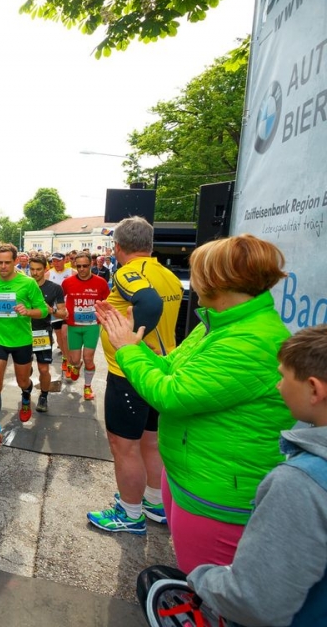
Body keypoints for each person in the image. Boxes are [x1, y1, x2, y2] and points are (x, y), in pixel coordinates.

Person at [95, 234, 295, 564]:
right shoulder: (218, 326)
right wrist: (130, 339)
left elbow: (170, 395)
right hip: (193, 476)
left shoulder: (248, 340)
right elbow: (170, 370)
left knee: (208, 585)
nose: (194, 280)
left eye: (198, 271)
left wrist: (128, 349)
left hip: (216, 491)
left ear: (217, 279)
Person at [186, 325, 327, 626]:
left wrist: (203, 577)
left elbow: (254, 600)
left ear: (314, 389)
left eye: (283, 376)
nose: (278, 386)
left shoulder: (300, 483)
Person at [85, 217, 184, 537]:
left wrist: (133, 338)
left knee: (123, 446)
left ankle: (129, 513)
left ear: (117, 247)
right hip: (159, 368)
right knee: (150, 441)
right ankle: (155, 503)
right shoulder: (166, 273)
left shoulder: (129, 272)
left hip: (128, 373)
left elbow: (149, 302)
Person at [0, 244, 48, 444]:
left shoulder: (28, 283)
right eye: (0, 262)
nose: (4, 266)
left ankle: (25, 396)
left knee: (23, 381)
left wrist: (29, 312)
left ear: (16, 262)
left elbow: (44, 310)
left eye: (8, 262)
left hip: (21, 340)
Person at [61, 252, 110, 401]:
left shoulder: (101, 282)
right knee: (74, 360)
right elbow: (60, 301)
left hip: (92, 326)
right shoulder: (67, 282)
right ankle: (76, 365)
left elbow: (108, 303)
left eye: (85, 266)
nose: (82, 269)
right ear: (75, 265)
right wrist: (62, 314)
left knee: (89, 358)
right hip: (73, 326)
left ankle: (87, 387)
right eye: (79, 266)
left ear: (91, 265)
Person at [28, 255, 66, 413]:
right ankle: (25, 393)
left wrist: (52, 310)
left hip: (42, 333)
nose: (35, 273)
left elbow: (64, 314)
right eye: (32, 269)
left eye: (38, 269)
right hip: (22, 333)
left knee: (43, 369)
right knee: (24, 370)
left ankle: (43, 396)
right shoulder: (23, 285)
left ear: (45, 270)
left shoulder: (55, 288)